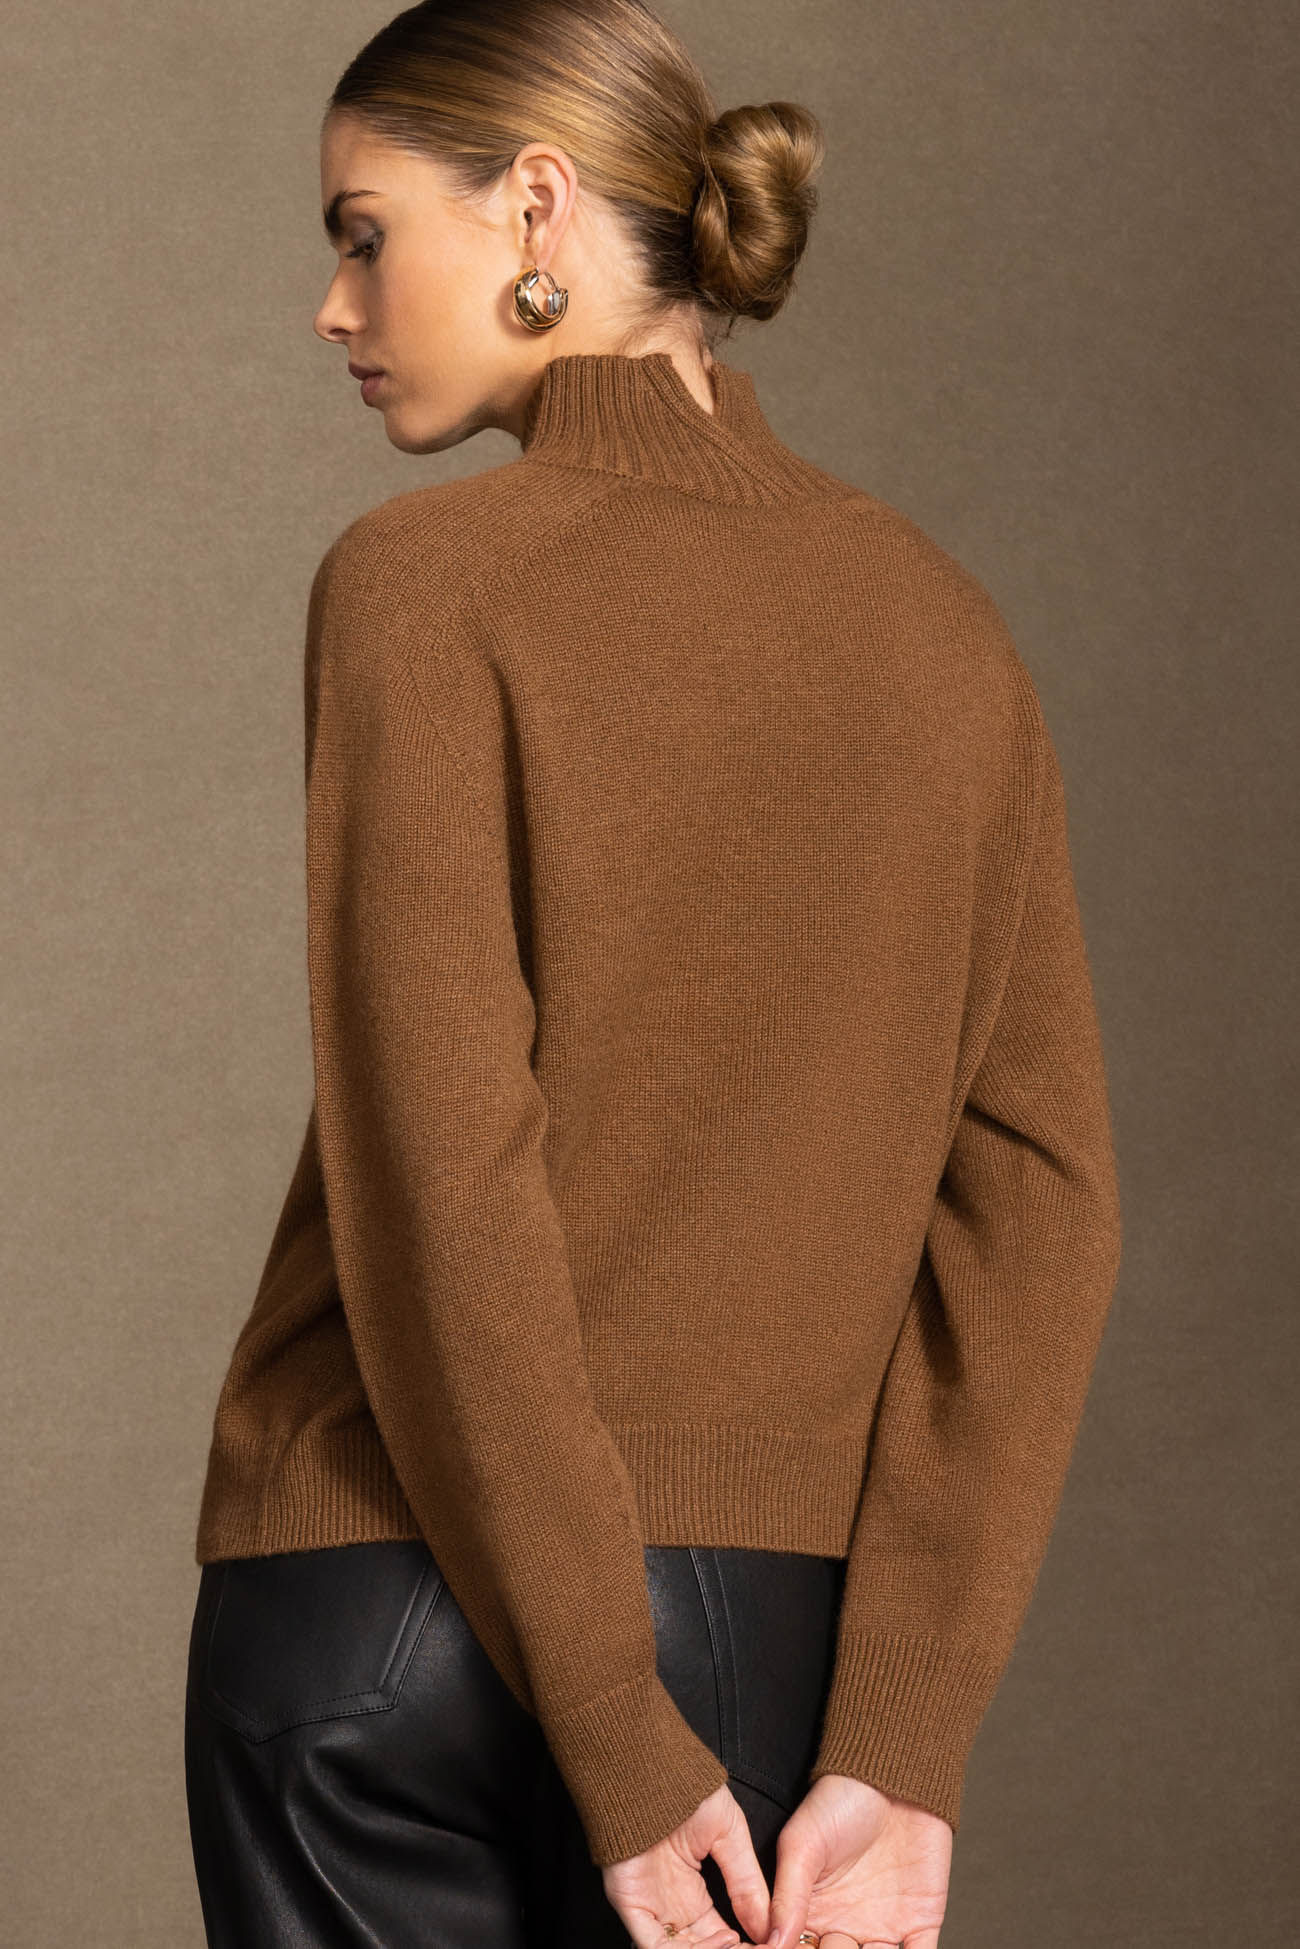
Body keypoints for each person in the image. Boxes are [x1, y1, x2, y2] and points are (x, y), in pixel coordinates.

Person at [183, 2, 1123, 1945]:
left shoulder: (421, 588)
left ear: (535, 205)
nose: (332, 306)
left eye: (364, 234)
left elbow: (445, 1175)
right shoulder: (944, 634)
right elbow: (1041, 1205)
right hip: (780, 1657)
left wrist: (612, 1724)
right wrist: (905, 1736)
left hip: (392, 1606)